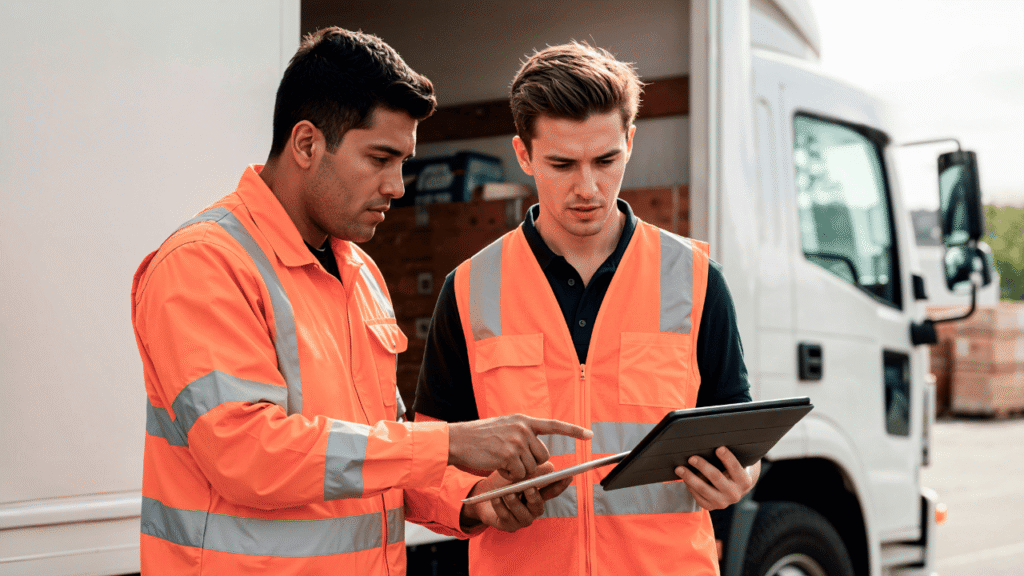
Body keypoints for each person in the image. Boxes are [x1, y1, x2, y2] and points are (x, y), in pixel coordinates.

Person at [130, 27, 590, 575]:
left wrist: (476, 498)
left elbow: (380, 453)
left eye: (403, 161)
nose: (398, 185)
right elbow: (246, 453)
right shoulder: (204, 263)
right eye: (380, 158)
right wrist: (447, 442)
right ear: (306, 144)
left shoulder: (359, 272)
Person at [413, 41, 760, 575]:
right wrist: (480, 498)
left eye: (606, 160)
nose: (588, 188)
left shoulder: (695, 280)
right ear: (524, 154)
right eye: (562, 164)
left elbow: (736, 431)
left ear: (630, 142)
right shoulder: (469, 288)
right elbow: (428, 452)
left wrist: (741, 478)